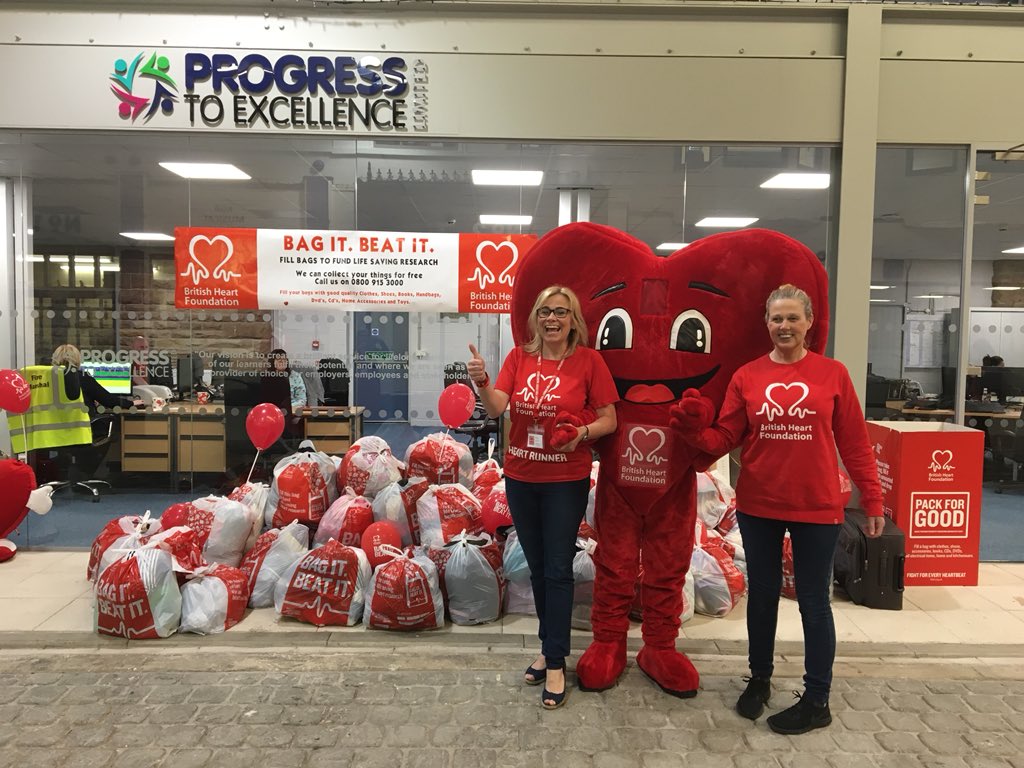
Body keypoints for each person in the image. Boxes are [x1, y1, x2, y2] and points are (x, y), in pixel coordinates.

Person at [671, 283, 884, 735]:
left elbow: (855, 443)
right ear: (766, 324)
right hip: (760, 503)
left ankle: (817, 698)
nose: (784, 326)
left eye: (792, 318)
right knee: (763, 595)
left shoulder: (833, 374)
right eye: (776, 319)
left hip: (818, 505)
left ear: (809, 323)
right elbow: (724, 438)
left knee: (813, 603)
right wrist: (693, 430)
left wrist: (873, 498)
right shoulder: (748, 376)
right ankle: (760, 679)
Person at [467, 285, 618, 710]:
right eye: (545, 311)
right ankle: (548, 645)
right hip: (520, 476)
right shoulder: (519, 357)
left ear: (574, 320)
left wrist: (583, 434)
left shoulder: (589, 362)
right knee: (536, 570)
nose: (552, 319)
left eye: (561, 312)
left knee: (557, 570)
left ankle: (555, 661)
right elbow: (497, 408)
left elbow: (610, 418)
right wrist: (481, 382)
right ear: (536, 317)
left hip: (564, 480)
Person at [52, 344, 143, 414]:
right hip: (80, 430)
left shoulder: (47, 377)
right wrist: (131, 403)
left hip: (52, 432)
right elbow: (108, 400)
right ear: (77, 359)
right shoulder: (81, 377)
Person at [260, 348, 307, 415]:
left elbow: (302, 400)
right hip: (270, 411)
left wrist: (287, 407)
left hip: (290, 412)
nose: (282, 361)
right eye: (279, 360)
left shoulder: (295, 376)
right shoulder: (266, 377)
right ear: (272, 362)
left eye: (284, 359)